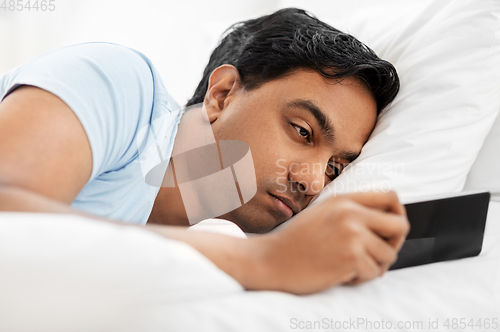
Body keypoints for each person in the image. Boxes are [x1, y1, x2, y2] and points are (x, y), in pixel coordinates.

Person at [0, 8, 409, 295]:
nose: (313, 181)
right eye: (302, 131)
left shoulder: (204, 255)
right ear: (222, 94)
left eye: (336, 169)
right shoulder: (120, 82)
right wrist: (263, 260)